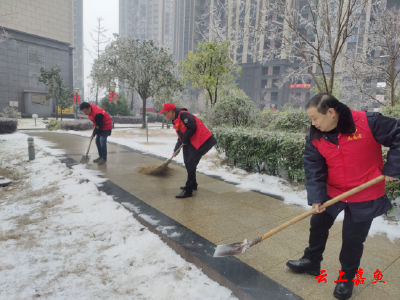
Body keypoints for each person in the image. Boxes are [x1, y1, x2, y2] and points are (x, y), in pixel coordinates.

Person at [286, 94, 400, 300]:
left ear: (331, 113)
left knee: (352, 239)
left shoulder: (368, 122)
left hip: (365, 193)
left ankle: (346, 278)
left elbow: (398, 133)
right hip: (333, 191)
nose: (312, 123)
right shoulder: (315, 135)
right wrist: (317, 197)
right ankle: (312, 261)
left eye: (315, 118)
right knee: (318, 224)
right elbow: (314, 168)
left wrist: (394, 167)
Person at [159, 103, 217, 198]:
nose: (165, 116)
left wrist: (184, 140)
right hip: (193, 142)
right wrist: (176, 150)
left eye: (165, 113)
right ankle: (193, 184)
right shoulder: (175, 120)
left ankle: (188, 190)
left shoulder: (183, 114)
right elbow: (181, 136)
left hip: (203, 141)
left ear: (171, 111)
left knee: (190, 162)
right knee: (187, 161)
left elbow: (192, 127)